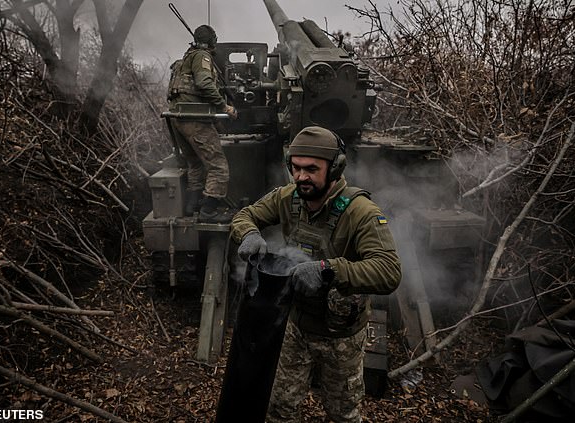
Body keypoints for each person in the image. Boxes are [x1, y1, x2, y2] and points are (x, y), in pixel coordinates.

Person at [231, 126, 402, 422]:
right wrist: (248, 234)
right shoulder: (289, 197)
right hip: (295, 325)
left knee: (343, 415)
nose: (301, 177)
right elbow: (245, 216)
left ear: (335, 168)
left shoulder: (361, 212)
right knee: (280, 409)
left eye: (311, 169)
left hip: (341, 337)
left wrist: (329, 269)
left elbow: (388, 271)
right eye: (295, 168)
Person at [167, 25, 237, 223]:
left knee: (194, 163)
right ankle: (209, 211)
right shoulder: (202, 57)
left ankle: (192, 205)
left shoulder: (185, 59)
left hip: (177, 119)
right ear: (212, 41)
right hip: (194, 120)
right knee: (218, 167)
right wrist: (225, 106)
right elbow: (204, 83)